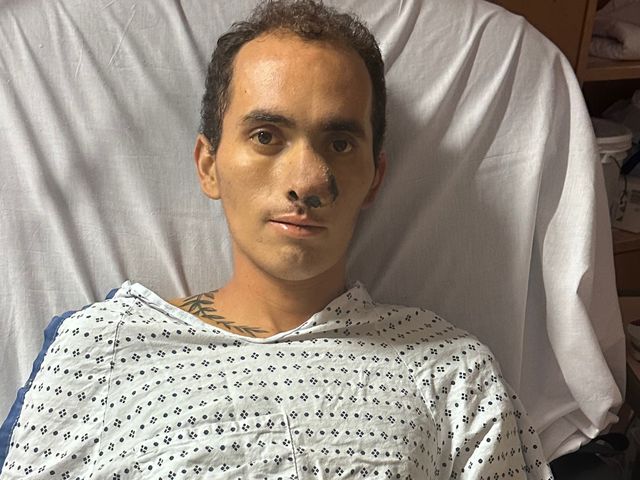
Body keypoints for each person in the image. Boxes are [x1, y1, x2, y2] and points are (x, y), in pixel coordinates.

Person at [0, 1, 552, 478]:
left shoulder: (452, 372)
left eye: (339, 143)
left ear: (374, 179)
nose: (307, 182)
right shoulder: (100, 348)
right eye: (266, 136)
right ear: (209, 165)